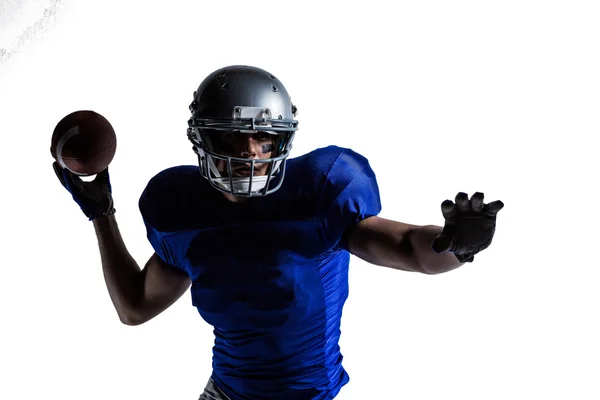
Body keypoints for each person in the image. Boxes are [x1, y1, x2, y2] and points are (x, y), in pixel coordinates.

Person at [52, 65, 504, 400]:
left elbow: (408, 247)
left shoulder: (321, 193)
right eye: (231, 139)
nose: (249, 154)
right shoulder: (181, 209)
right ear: (202, 140)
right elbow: (134, 308)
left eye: (263, 139)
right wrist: (102, 215)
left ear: (283, 141)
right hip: (225, 392)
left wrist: (455, 247)